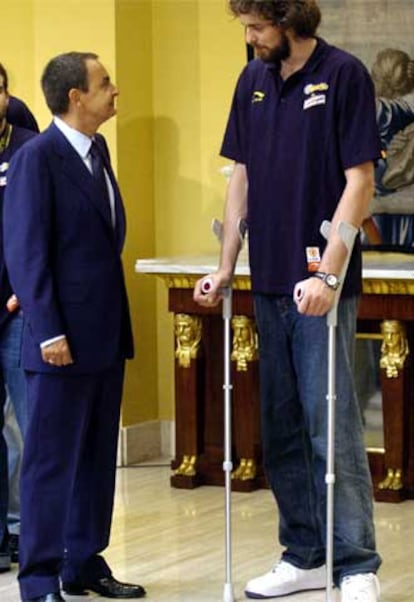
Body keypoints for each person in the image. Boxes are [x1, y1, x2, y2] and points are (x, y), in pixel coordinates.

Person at [193, 2, 382, 601]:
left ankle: (356, 565)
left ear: (289, 20)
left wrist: (329, 274)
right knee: (280, 427)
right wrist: (225, 268)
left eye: (257, 27)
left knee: (332, 425)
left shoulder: (343, 74)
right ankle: (304, 554)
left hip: (318, 283)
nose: (249, 38)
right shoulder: (251, 80)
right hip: (267, 279)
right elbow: (241, 176)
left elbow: (361, 180)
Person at [3, 51, 145, 602]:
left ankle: (82, 560)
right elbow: (26, 252)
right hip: (60, 339)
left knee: (93, 457)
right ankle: (38, 580)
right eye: (104, 83)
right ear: (75, 98)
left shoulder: (98, 149)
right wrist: (47, 330)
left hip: (105, 334)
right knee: (49, 462)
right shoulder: (38, 157)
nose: (115, 89)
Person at [0, 63, 37, 573]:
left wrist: (26, 292)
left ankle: (29, 531)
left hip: (18, 308)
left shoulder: (29, 147)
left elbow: (37, 228)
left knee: (30, 427)